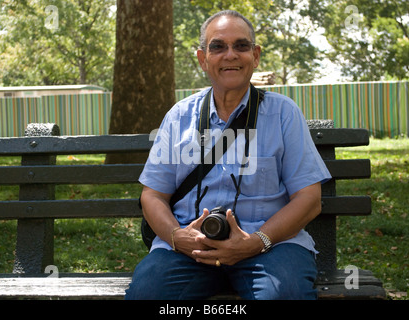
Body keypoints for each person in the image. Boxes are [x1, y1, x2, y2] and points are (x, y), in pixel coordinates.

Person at [125, 10, 331, 300]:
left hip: (271, 247)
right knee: (147, 294)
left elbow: (309, 199)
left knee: (286, 295)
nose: (230, 54)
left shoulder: (284, 114)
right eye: (218, 46)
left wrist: (256, 241)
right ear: (202, 58)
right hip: (189, 249)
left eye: (241, 46)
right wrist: (176, 236)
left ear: (255, 55)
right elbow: (152, 195)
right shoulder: (179, 116)